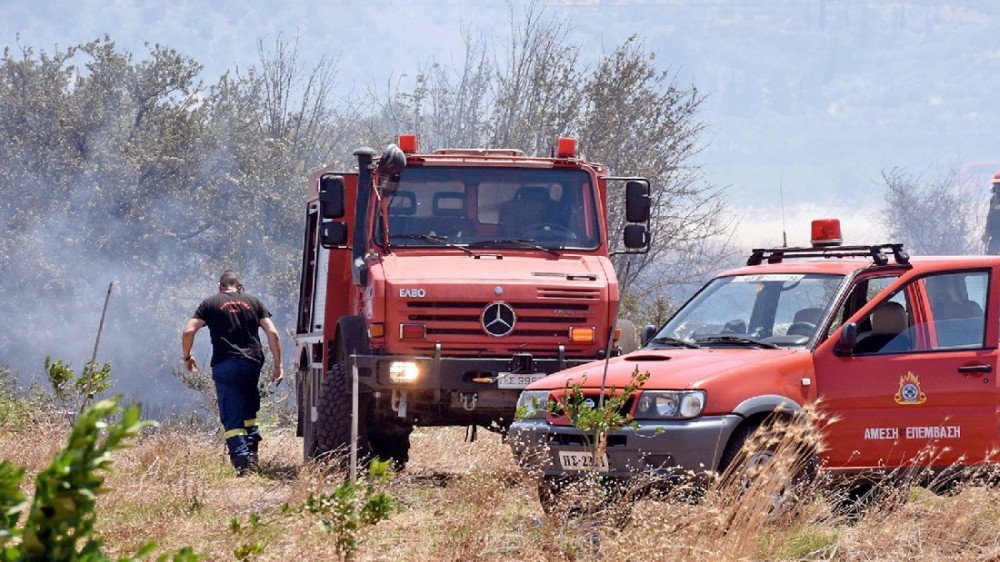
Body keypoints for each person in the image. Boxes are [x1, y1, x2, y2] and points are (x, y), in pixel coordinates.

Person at [181, 270, 283, 476]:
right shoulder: (254, 302)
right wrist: (278, 365)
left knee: (232, 416)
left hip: (224, 364)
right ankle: (252, 459)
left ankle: (242, 465)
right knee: (249, 413)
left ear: (221, 287)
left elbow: (188, 331)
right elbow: (272, 332)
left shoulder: (210, 303)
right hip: (252, 363)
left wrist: (187, 356)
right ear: (240, 287)